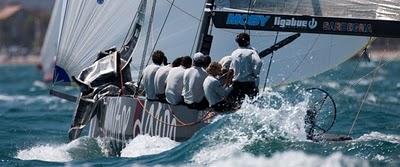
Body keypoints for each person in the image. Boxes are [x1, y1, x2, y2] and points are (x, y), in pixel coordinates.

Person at [228, 32, 262, 104]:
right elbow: (259, 62)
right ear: (248, 41)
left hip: (237, 84)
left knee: (236, 105)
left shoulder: (234, 53)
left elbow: (231, 70)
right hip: (249, 84)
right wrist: (255, 74)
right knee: (253, 104)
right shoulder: (252, 52)